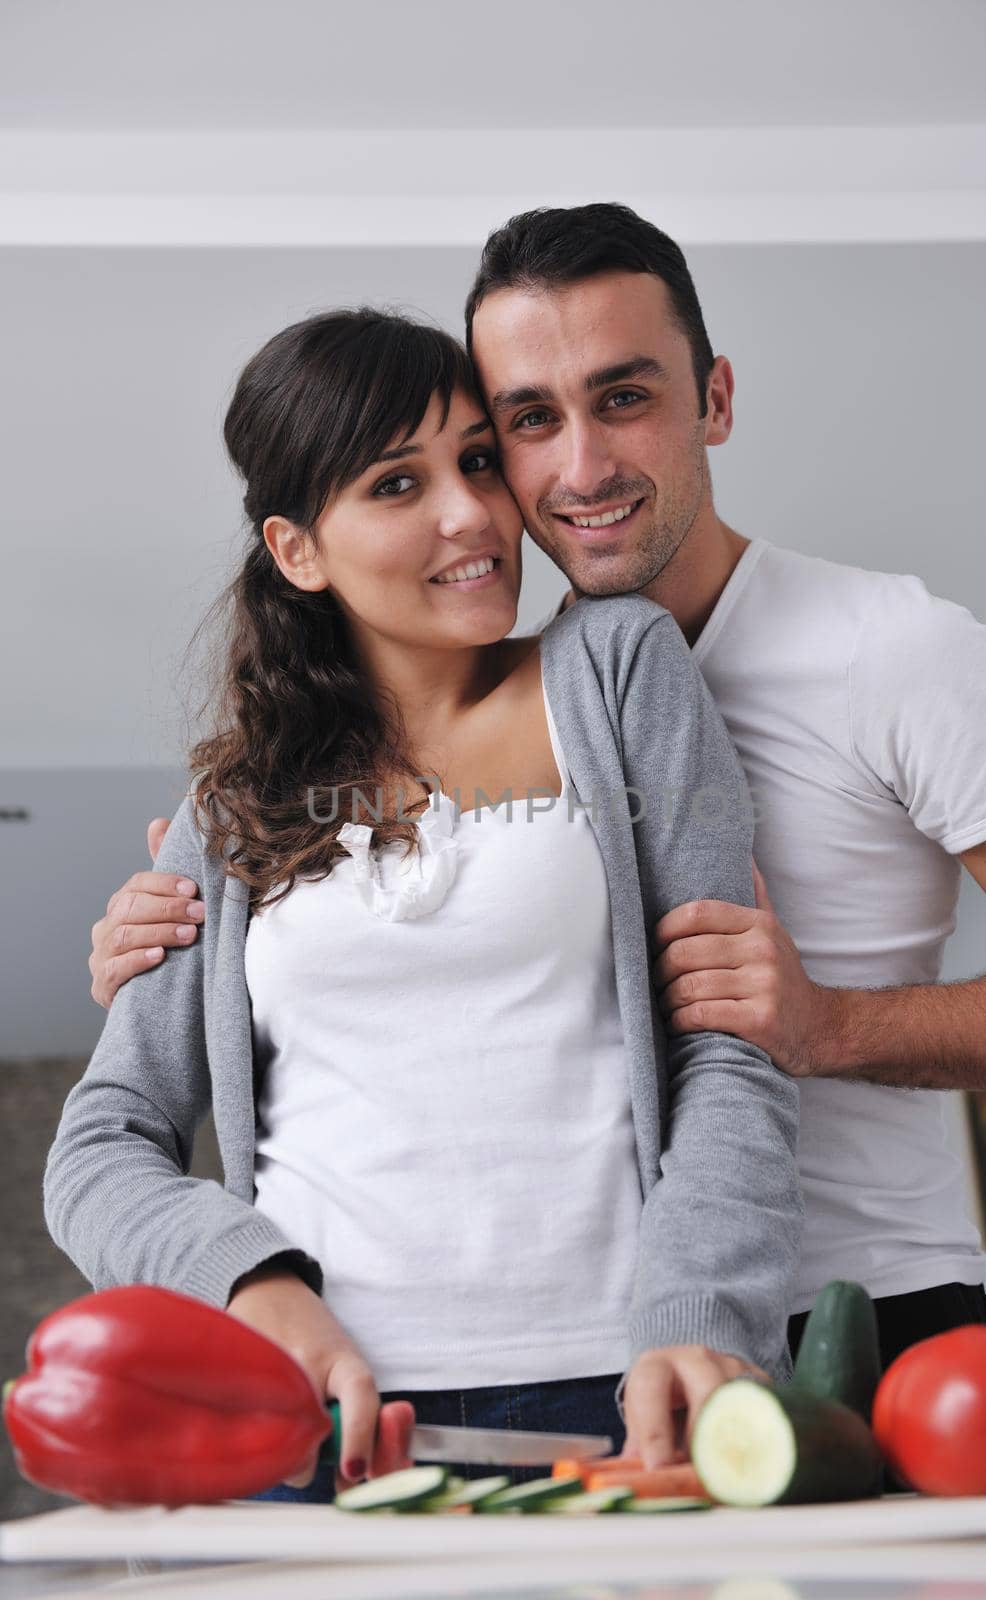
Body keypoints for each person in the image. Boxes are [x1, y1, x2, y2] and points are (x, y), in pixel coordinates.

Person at [92, 204, 986, 1370]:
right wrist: (194, 931)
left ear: (712, 398)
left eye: (623, 397)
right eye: (527, 421)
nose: (581, 466)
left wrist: (831, 1025)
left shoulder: (897, 653)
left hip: (871, 1310)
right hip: (607, 1339)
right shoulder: (563, 684)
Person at [48, 307, 801, 1504]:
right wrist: (251, 1283)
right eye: (398, 482)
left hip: (623, 1397)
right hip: (318, 1427)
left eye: (476, 461)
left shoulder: (614, 671)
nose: (472, 515)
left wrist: (697, 1313)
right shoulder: (231, 805)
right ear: (299, 550)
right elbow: (99, 1147)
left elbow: (726, 1047)